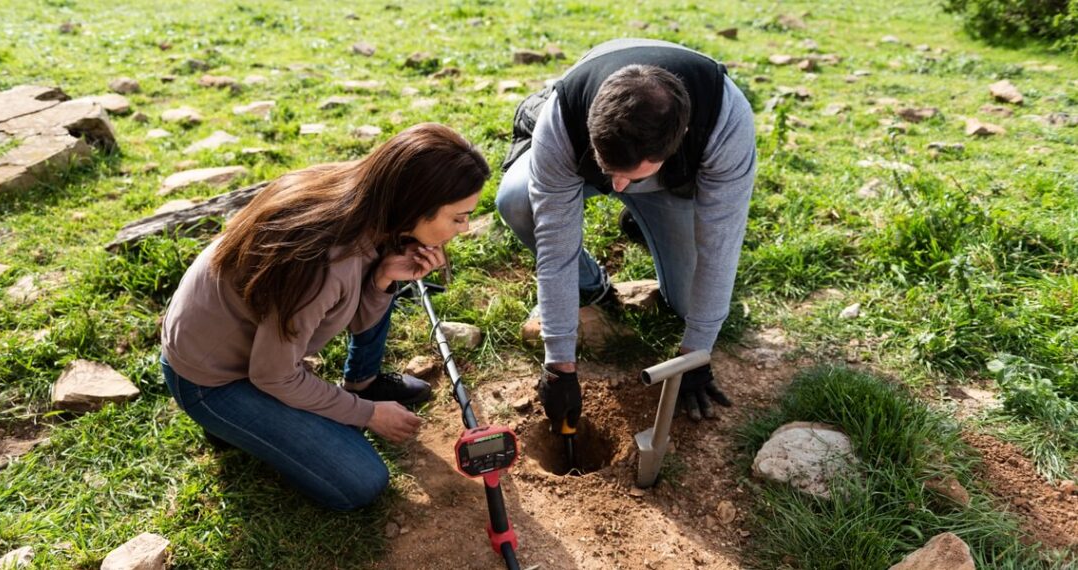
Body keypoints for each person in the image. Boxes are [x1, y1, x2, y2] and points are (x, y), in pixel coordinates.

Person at [160, 123, 491, 511]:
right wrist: (368, 414)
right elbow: (273, 375)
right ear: (417, 204)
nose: (465, 228)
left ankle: (360, 384)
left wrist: (382, 279)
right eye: (459, 217)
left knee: (382, 273)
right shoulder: (323, 261)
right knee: (361, 481)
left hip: (251, 347)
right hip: (210, 379)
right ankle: (231, 423)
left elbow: (351, 310)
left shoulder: (369, 200)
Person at [495, 39, 756, 427]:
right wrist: (559, 364)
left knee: (689, 303)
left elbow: (720, 246)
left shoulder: (724, 122)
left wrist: (696, 353)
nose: (616, 187)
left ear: (680, 137)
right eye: (609, 169)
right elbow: (555, 248)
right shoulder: (563, 117)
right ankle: (592, 283)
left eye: (630, 177)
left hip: (673, 185)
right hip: (580, 161)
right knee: (518, 200)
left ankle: (648, 219)